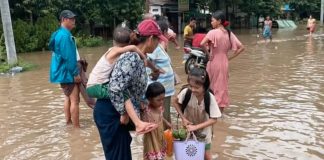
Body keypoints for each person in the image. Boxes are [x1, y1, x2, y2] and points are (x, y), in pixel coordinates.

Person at [93, 19, 161, 160]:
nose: (159, 43)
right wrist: (124, 113)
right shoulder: (131, 57)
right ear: (150, 39)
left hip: (116, 111)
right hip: (111, 113)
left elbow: (129, 87)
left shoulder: (139, 57)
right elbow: (116, 88)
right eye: (157, 40)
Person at [200, 11, 245, 113]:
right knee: (221, 86)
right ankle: (220, 113)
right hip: (224, 62)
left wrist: (208, 54)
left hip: (213, 61)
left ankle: (210, 111)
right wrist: (229, 58)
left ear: (219, 21)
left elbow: (202, 43)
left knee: (209, 85)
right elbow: (241, 47)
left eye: (212, 20)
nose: (211, 22)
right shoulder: (229, 33)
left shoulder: (212, 32)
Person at [173, 67, 222, 160]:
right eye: (191, 86)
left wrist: (195, 127)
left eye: (197, 87)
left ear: (205, 86)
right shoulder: (186, 92)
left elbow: (214, 119)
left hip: (204, 133)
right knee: (187, 153)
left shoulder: (209, 98)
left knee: (206, 156)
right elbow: (175, 102)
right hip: (187, 130)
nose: (193, 90)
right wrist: (183, 118)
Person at [87, 26, 146, 100]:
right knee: (123, 94)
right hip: (96, 87)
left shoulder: (114, 50)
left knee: (122, 92)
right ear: (129, 43)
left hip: (94, 86)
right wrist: (144, 58)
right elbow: (133, 48)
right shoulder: (115, 50)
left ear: (113, 41)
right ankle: (130, 111)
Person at [49, 10, 81, 128]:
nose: (74, 21)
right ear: (63, 19)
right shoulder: (65, 36)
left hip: (61, 71)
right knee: (75, 100)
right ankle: (77, 129)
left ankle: (68, 123)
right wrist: (75, 73)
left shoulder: (57, 34)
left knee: (67, 97)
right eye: (71, 19)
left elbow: (52, 47)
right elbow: (69, 57)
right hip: (68, 73)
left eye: (74, 19)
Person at [146, 19, 175, 128]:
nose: (168, 34)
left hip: (165, 90)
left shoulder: (160, 46)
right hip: (160, 90)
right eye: (167, 31)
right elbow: (146, 60)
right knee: (162, 116)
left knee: (164, 114)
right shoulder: (155, 48)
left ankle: (165, 137)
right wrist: (155, 70)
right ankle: (163, 139)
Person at [141, 82, 171, 160]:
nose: (161, 102)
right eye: (158, 100)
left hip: (160, 136)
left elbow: (160, 118)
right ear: (149, 99)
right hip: (151, 138)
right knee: (151, 156)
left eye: (163, 99)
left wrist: (166, 122)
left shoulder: (160, 108)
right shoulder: (146, 110)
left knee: (161, 154)